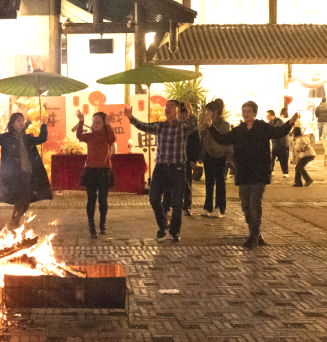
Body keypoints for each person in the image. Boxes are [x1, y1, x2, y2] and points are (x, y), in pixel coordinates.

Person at [206, 101, 298, 248]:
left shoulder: (262, 127)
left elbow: (279, 132)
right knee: (245, 206)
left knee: (255, 205)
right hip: (243, 173)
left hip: (259, 172)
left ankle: (253, 236)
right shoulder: (239, 130)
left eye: (248, 111)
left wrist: (290, 123)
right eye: (244, 111)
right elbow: (223, 139)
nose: (246, 114)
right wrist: (211, 127)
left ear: (254, 113)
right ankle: (256, 233)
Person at [125, 99, 197, 242]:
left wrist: (191, 113)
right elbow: (144, 126)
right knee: (153, 198)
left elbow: (194, 125)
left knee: (177, 203)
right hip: (161, 167)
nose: (167, 108)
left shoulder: (182, 126)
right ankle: (164, 225)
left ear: (177, 111)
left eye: (171, 106)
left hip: (178, 168)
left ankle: (174, 232)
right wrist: (131, 118)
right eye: (166, 106)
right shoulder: (160, 126)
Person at [0, 112, 51, 229]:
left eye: (22, 120)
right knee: (20, 199)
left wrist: (43, 124)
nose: (21, 122)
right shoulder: (7, 138)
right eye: (18, 120)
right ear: (13, 123)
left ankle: (15, 221)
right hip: (14, 175)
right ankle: (14, 223)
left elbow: (42, 138)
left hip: (28, 173)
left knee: (26, 200)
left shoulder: (28, 138)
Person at [74, 109, 116, 238]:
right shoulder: (89, 136)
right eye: (94, 121)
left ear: (104, 123)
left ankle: (102, 224)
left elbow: (113, 138)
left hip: (104, 170)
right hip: (90, 170)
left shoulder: (107, 136)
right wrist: (81, 121)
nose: (96, 124)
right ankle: (91, 225)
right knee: (91, 199)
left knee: (103, 200)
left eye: (99, 122)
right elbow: (79, 136)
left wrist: (108, 125)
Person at [201, 99, 230, 218]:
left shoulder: (225, 125)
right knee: (209, 182)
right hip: (208, 155)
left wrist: (210, 126)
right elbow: (204, 140)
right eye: (207, 110)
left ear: (216, 111)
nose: (207, 112)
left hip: (220, 156)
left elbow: (223, 141)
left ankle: (220, 208)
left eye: (210, 110)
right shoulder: (206, 124)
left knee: (220, 182)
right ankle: (207, 207)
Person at [266, 109, 289, 178]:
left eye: (269, 116)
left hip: (282, 144)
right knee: (271, 159)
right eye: (267, 116)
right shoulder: (269, 123)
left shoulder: (279, 122)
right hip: (274, 144)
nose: (268, 117)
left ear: (273, 115)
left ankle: (285, 173)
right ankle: (271, 171)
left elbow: (278, 130)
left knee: (283, 159)